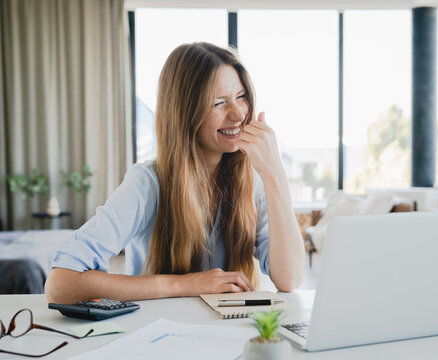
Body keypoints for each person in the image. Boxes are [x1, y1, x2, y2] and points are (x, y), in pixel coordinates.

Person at [45, 43, 305, 303]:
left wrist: (275, 175)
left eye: (241, 96)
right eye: (219, 103)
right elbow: (61, 284)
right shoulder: (147, 183)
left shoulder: (253, 179)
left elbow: (290, 279)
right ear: (185, 113)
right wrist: (187, 284)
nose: (238, 114)